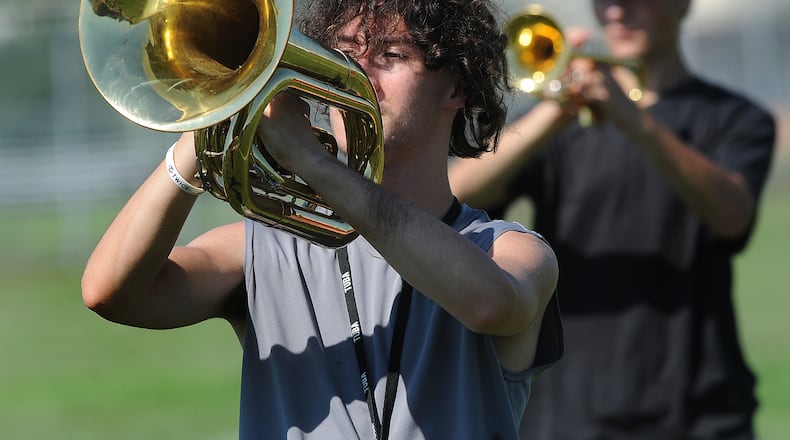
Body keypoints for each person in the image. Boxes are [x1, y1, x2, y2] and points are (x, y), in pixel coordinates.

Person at [81, 1, 562, 439]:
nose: (358, 70)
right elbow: (110, 293)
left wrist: (313, 164)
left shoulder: (507, 250)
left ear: (456, 87)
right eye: (347, 50)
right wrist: (206, 120)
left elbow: (490, 305)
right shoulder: (262, 248)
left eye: (391, 56)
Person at [449, 0, 776, 438]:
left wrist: (636, 121)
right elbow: (459, 192)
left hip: (699, 408)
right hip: (570, 410)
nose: (618, 13)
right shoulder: (564, 120)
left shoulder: (738, 118)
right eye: (605, 3)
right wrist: (556, 110)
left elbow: (732, 217)